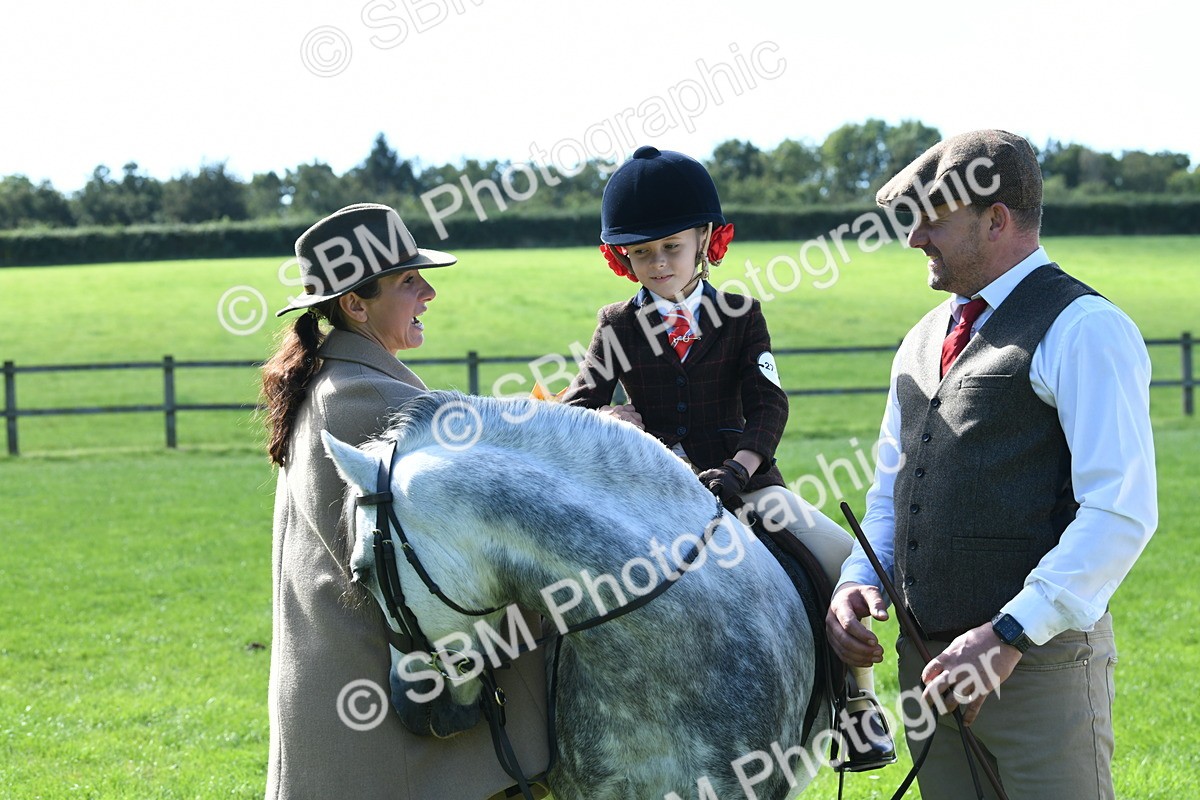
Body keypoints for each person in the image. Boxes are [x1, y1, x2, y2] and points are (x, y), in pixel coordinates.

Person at [825, 130, 1158, 799]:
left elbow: (1120, 513)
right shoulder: (920, 341)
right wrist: (859, 581)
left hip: (1038, 671)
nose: (915, 238)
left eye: (933, 221)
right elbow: (893, 497)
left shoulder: (1084, 327)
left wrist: (1008, 634)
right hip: (929, 671)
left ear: (997, 219)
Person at [560, 145, 895, 771]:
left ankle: (858, 707)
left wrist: (740, 468)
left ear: (705, 240)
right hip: (654, 493)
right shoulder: (616, 325)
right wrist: (606, 417)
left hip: (746, 486)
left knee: (838, 560)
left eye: (670, 248)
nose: (657, 265)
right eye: (642, 253)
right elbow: (577, 405)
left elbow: (769, 407)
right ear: (621, 258)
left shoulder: (741, 315)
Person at [261, 203, 549, 800]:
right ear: (355, 305)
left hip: (356, 695)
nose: (430, 292)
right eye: (409, 281)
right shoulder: (360, 398)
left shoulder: (342, 380)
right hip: (380, 707)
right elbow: (486, 481)